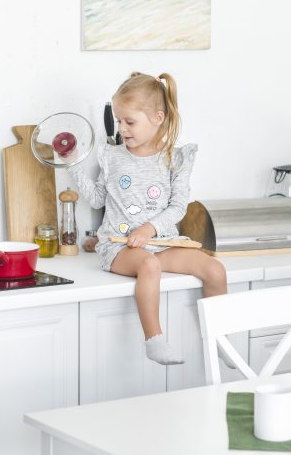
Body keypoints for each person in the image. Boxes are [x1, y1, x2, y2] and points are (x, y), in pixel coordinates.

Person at [68, 72, 227, 365]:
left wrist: (150, 228)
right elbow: (96, 199)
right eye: (119, 121)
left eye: (130, 122)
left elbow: (178, 207)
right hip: (119, 248)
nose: (122, 129)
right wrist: (72, 162)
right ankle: (154, 340)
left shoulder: (176, 159)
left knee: (215, 270)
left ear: (157, 117)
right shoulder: (112, 156)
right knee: (149, 265)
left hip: (161, 242)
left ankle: (221, 340)